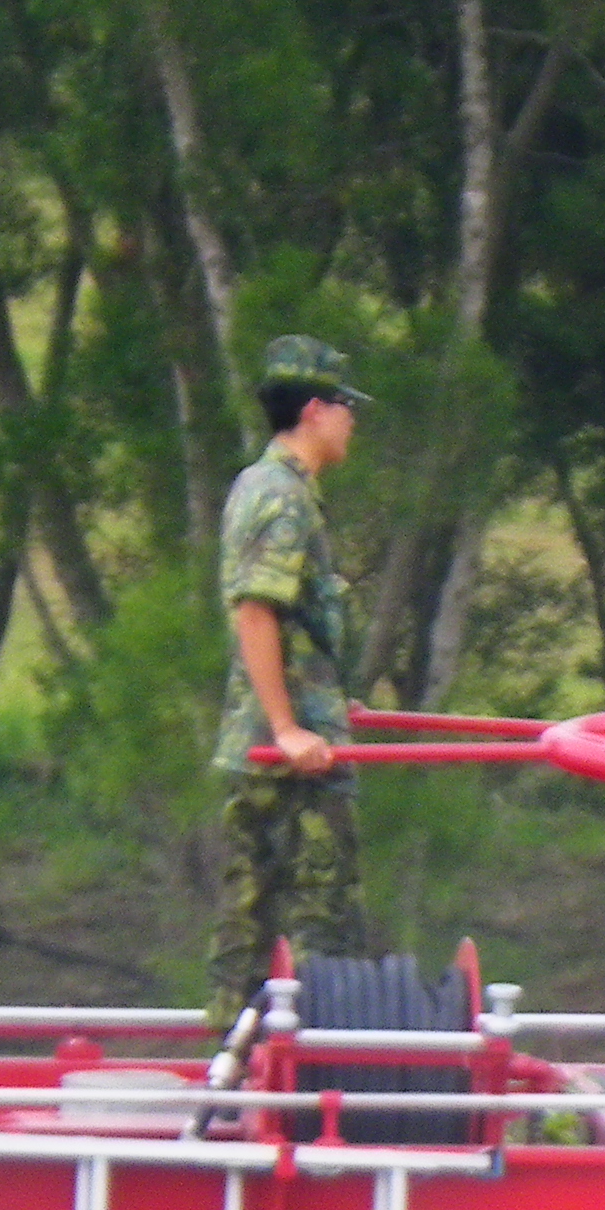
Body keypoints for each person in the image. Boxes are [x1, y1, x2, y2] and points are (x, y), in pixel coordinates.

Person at [209, 335, 377, 1004]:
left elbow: (298, 629)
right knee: (307, 920)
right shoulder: (279, 496)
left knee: (276, 916)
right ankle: (288, 1074)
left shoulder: (278, 490)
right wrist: (287, 727)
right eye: (345, 406)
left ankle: (255, 1062)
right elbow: (257, 611)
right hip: (287, 761)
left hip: (296, 739)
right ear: (314, 410)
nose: (352, 421)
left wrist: (332, 704)